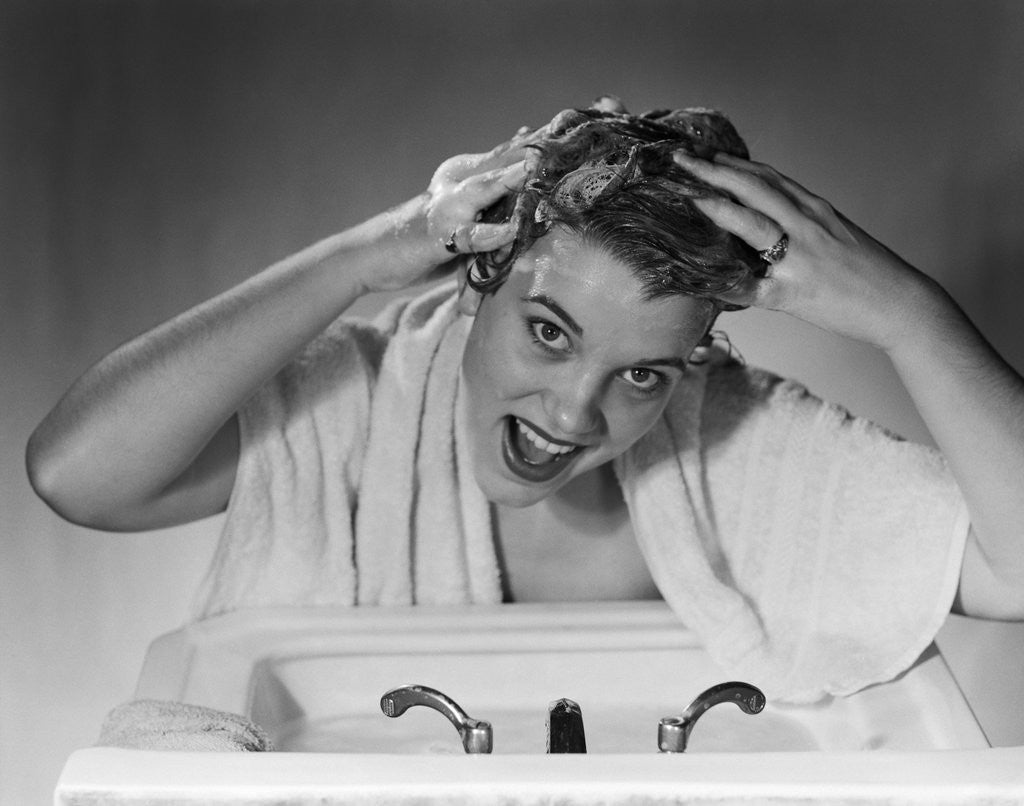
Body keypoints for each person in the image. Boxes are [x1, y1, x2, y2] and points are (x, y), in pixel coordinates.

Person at [25, 97, 1024, 701]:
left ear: (695, 363)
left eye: (643, 374)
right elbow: (78, 472)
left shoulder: (737, 443)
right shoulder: (358, 398)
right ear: (477, 281)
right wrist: (367, 255)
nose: (573, 415)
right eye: (549, 331)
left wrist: (907, 312)